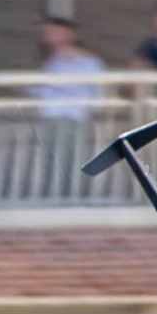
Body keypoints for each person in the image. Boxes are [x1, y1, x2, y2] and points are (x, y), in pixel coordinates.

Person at [31, 16, 105, 196]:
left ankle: (73, 197)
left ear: (68, 34)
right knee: (50, 161)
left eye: (53, 32)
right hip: (49, 118)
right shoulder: (50, 63)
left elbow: (98, 91)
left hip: (74, 117)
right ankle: (52, 197)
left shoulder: (88, 62)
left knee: (73, 161)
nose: (48, 36)